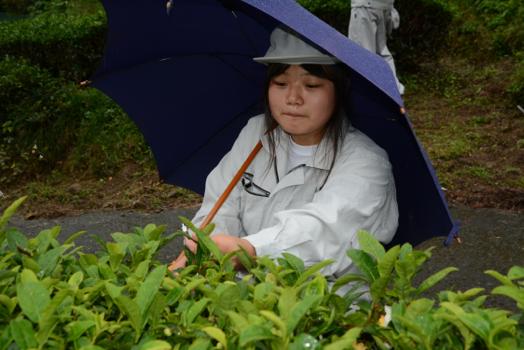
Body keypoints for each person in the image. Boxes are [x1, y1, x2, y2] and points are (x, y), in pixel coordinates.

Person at [169, 27, 398, 279]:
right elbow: (221, 206)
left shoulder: (366, 161)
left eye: (311, 84)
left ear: (339, 92)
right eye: (280, 83)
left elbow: (325, 230)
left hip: (329, 304)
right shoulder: (257, 133)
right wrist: (203, 247)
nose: (293, 98)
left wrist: (249, 250)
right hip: (247, 298)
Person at [348, 0, 405, 95]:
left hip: (366, 6)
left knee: (362, 54)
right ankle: (393, 91)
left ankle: (367, 95)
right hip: (382, 6)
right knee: (381, 53)